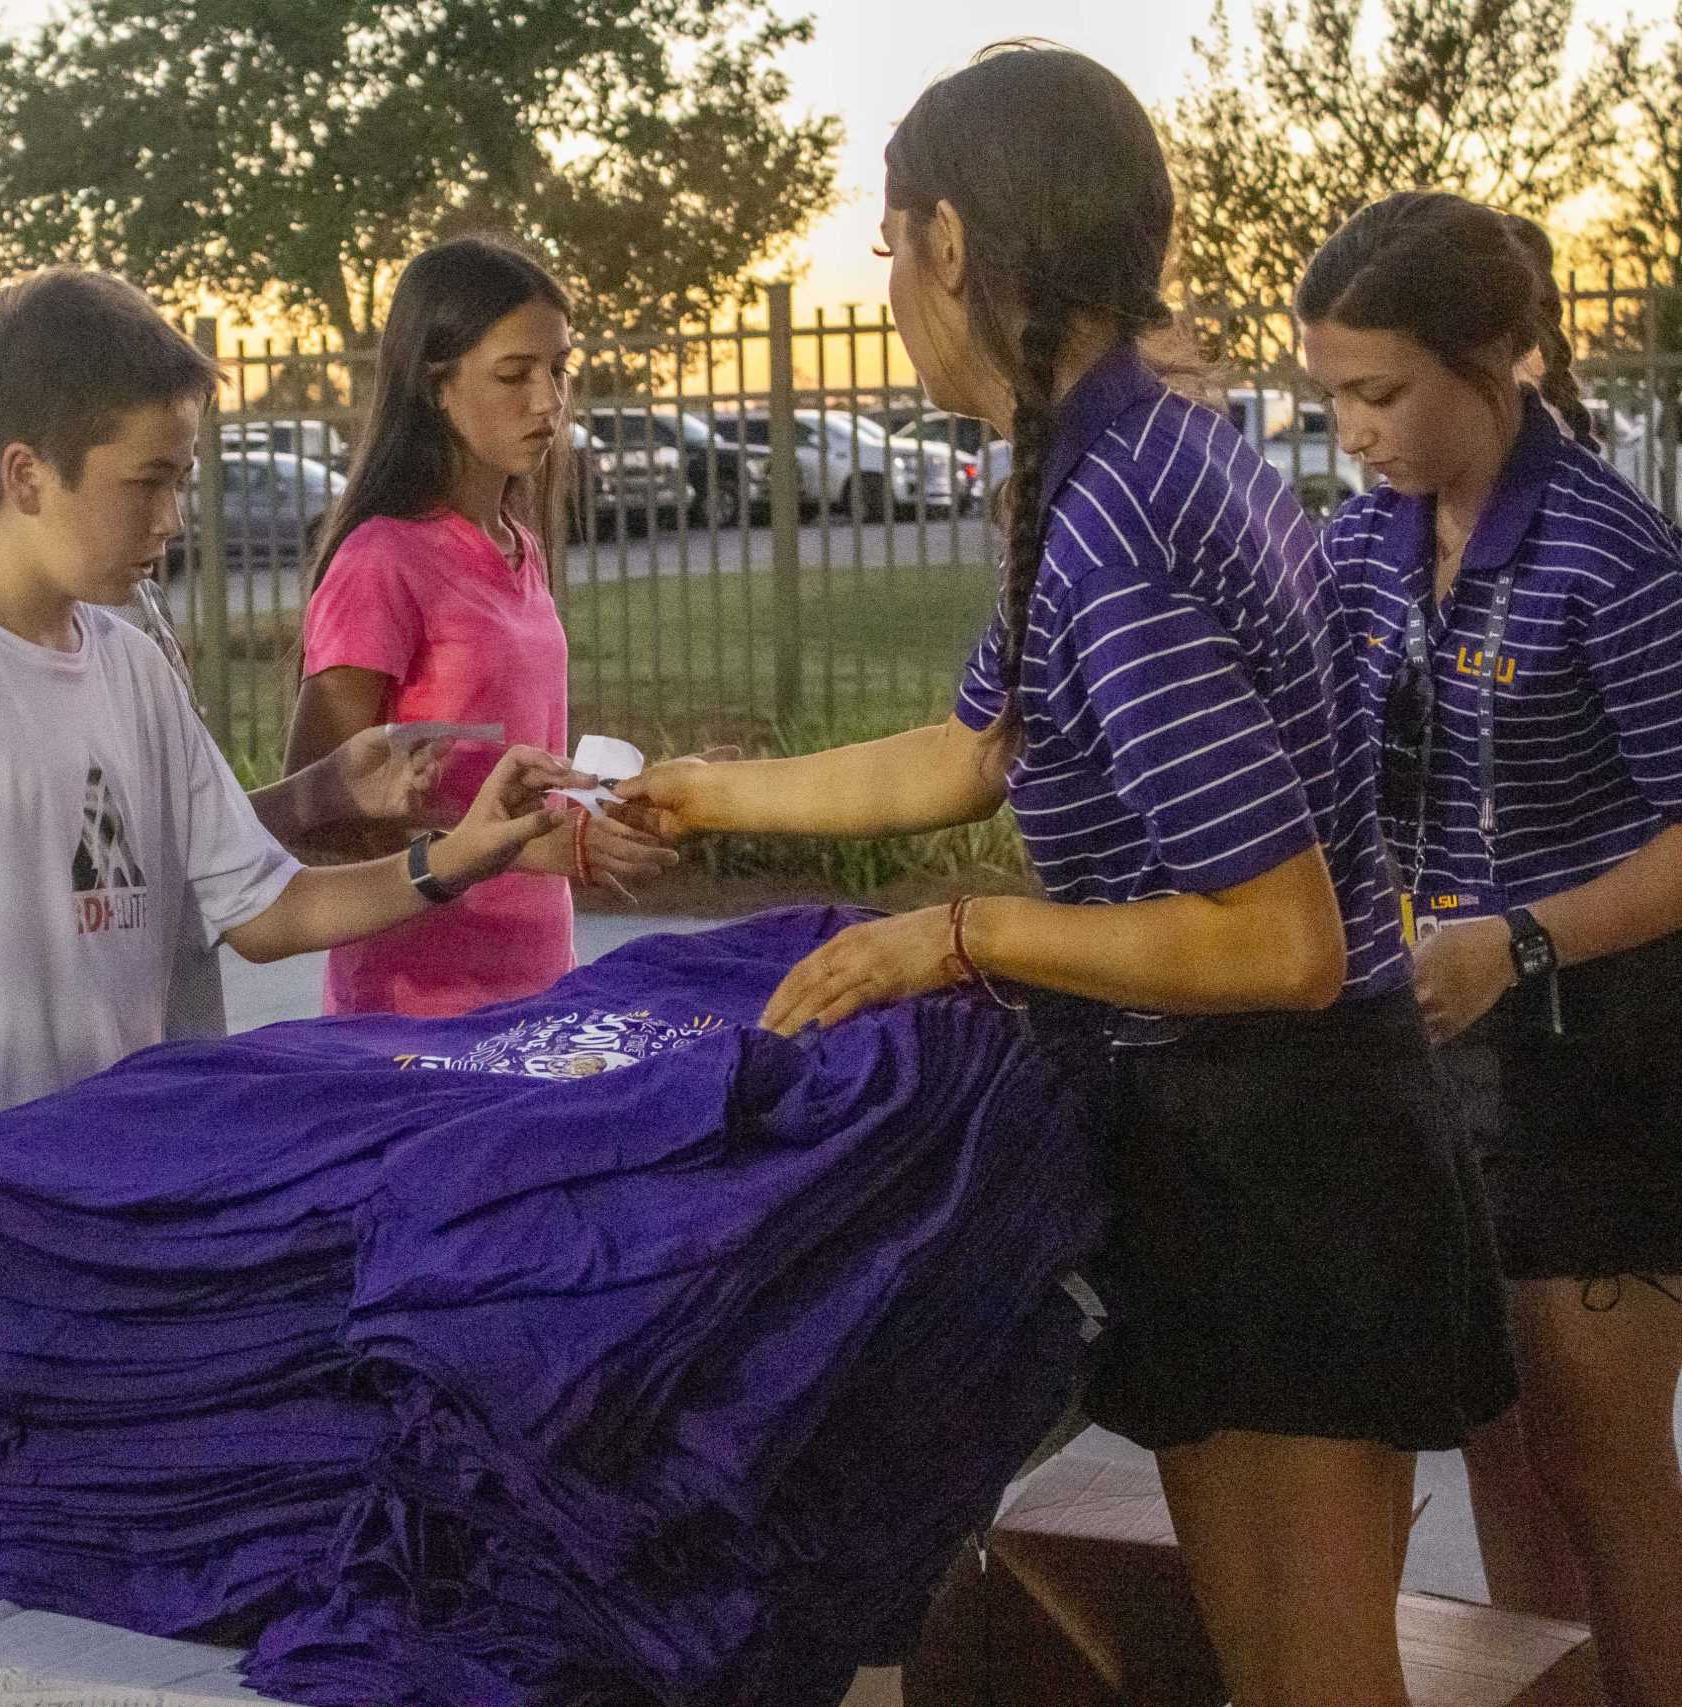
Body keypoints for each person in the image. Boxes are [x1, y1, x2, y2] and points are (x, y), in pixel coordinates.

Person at [617, 46, 1514, 1707]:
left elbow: (1283, 938)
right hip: (1245, 1142)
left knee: (1315, 1682)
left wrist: (954, 937)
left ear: (952, 244)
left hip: (1289, 1154)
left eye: (887, 250)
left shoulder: (1117, 517)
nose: (885, 290)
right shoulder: (1102, 464)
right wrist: (700, 795)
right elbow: (968, 755)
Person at [0, 268, 578, 1453]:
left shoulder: (130, 666)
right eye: (149, 481)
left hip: (144, 1209)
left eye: (183, 480)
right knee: (9, 1546)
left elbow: (263, 907)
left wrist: (458, 859)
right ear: (27, 475)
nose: (173, 515)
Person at [1302, 190, 1682, 1707]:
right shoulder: (1363, 546)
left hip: (1601, 1061)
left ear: (1502, 358)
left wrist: (1520, 942)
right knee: (1502, 1460)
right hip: (1436, 1053)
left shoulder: (1615, 553)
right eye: (1328, 394)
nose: (1353, 430)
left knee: (1608, 1474)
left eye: (1380, 392)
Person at [285, 236, 675, 1018]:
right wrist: (543, 848)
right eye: (514, 374)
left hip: (536, 988)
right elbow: (315, 815)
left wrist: (634, 797)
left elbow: (508, 766)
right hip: (414, 1010)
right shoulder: (381, 561)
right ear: (435, 385)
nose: (549, 402)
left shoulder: (517, 544)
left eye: (559, 370)